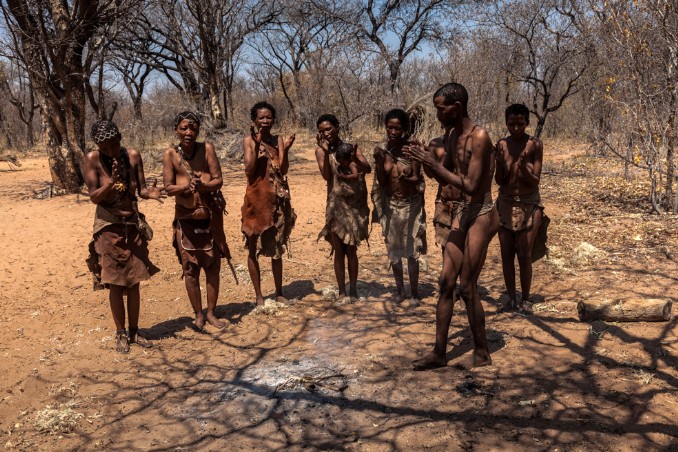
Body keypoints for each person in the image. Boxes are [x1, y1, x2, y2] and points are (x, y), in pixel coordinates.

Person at [406, 83, 499, 369]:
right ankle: (439, 352)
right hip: (461, 211)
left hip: (481, 211)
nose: (438, 114)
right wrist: (424, 160)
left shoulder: (479, 136)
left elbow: (470, 184)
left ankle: (482, 353)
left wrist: (430, 161)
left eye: (441, 107)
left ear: (456, 107)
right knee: (446, 282)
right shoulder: (451, 135)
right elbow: (446, 179)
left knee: (467, 285)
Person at [84, 120, 163, 353]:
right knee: (116, 283)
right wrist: (108, 184)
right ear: (98, 145)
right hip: (108, 226)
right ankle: (120, 333)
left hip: (132, 223)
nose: (111, 150)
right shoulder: (93, 159)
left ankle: (135, 331)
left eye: (114, 143)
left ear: (120, 136)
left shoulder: (133, 155)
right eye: (105, 147)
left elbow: (141, 189)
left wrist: (151, 193)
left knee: (135, 280)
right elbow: (94, 196)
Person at [163, 111, 232, 331]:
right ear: (176, 130)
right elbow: (168, 187)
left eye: (192, 128)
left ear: (198, 130)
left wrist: (204, 186)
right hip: (186, 219)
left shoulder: (207, 149)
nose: (188, 132)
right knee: (190, 269)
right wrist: (186, 188)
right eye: (184, 128)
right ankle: (198, 314)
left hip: (209, 218)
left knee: (212, 266)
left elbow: (218, 179)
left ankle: (211, 313)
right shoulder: (171, 155)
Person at [241, 101, 296, 306]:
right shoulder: (249, 140)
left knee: (276, 248)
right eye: (261, 118)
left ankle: (279, 292)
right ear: (254, 120)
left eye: (269, 117)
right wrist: (256, 144)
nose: (265, 121)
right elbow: (249, 169)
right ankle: (259, 295)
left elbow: (283, 169)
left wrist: (286, 150)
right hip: (256, 200)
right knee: (253, 247)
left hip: (276, 200)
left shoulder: (278, 139)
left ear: (274, 119)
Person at [372, 108, 427, 306]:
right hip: (390, 205)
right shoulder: (383, 150)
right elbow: (382, 181)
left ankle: (414, 293)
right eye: (390, 128)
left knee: (412, 251)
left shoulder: (410, 149)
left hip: (411, 205)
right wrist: (379, 162)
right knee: (394, 251)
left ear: (404, 129)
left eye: (397, 128)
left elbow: (416, 178)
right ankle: (400, 291)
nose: (393, 132)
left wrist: (408, 175)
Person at [494, 103, 544, 313]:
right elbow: (499, 180)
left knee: (524, 254)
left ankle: (525, 298)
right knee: (507, 254)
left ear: (527, 123)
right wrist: (502, 165)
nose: (515, 128)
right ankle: (511, 298)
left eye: (520, 124)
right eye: (511, 124)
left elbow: (535, 181)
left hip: (529, 203)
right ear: (506, 123)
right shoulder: (502, 145)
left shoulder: (534, 144)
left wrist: (523, 167)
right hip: (505, 202)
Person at [315, 114, 371, 300]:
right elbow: (326, 176)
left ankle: (353, 289)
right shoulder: (321, 151)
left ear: (337, 127)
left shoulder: (350, 148)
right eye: (322, 131)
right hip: (336, 206)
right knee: (339, 250)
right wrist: (324, 151)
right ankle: (341, 291)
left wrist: (355, 157)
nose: (326, 134)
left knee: (351, 249)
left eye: (329, 129)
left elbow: (367, 168)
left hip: (354, 206)